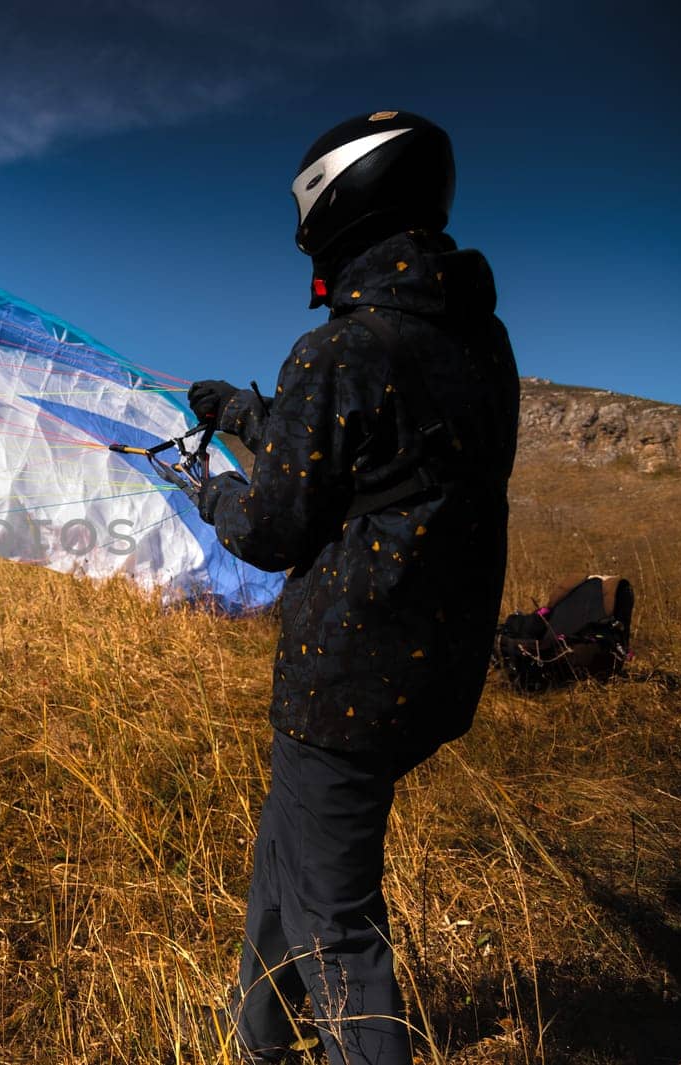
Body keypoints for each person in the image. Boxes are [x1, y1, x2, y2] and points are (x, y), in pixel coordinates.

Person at [184, 111, 520, 1063]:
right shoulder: (477, 344)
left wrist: (210, 489)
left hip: (344, 686)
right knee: (283, 862)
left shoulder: (338, 352)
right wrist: (246, 411)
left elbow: (274, 522)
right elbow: (379, 449)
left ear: (339, 208)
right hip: (432, 677)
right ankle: (259, 1041)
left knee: (336, 920)